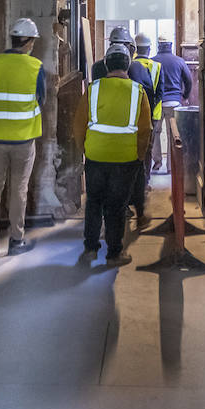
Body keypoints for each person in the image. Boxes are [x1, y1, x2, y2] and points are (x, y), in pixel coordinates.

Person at [73, 43, 152, 266]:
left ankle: (90, 249)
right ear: (128, 65)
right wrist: (139, 156)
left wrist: (85, 150)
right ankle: (114, 254)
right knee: (116, 206)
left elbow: (79, 125)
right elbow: (145, 130)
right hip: (125, 159)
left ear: (107, 65)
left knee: (94, 202)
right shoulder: (138, 92)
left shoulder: (93, 89)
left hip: (96, 156)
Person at [0, 17, 47, 261]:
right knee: (18, 190)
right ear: (27, 41)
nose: (33, 46)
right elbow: (41, 99)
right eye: (33, 41)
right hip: (23, 140)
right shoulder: (35, 67)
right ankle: (16, 240)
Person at [91, 26, 159, 224]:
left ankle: (111, 211)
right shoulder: (136, 68)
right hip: (130, 132)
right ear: (130, 47)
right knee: (136, 172)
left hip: (102, 134)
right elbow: (149, 96)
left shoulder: (97, 68)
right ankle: (139, 213)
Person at [132, 32, 164, 212]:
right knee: (147, 148)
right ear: (149, 48)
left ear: (136, 49)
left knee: (133, 148)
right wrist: (151, 109)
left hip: (132, 115)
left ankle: (135, 183)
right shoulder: (157, 66)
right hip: (152, 114)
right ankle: (145, 181)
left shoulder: (130, 65)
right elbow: (160, 92)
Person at [152, 35, 193, 170]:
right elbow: (188, 80)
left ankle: (157, 162)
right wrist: (185, 96)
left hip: (157, 104)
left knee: (155, 133)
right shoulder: (179, 61)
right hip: (174, 102)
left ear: (159, 46)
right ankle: (171, 166)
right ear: (170, 45)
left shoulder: (153, 61)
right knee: (173, 135)